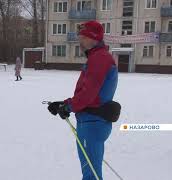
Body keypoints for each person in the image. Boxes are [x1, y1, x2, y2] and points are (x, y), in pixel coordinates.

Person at [47, 21, 119, 180]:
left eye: (83, 36)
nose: (80, 40)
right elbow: (88, 92)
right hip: (91, 121)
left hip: (92, 123)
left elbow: (88, 94)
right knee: (91, 172)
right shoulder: (97, 57)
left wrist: (69, 106)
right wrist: (64, 104)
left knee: (91, 175)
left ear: (93, 38)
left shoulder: (99, 59)